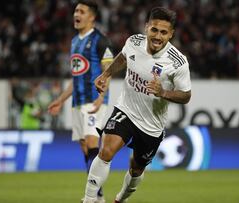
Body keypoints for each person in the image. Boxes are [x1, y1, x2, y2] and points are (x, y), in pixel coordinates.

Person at [82, 7, 192, 203]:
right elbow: (123, 58)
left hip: (151, 126)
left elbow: (186, 95)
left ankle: (121, 199)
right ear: (147, 27)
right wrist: (106, 74)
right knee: (106, 150)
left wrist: (163, 92)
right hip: (126, 109)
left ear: (171, 34)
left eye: (164, 32)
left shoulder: (178, 62)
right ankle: (89, 199)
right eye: (154, 30)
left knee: (136, 169)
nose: (158, 36)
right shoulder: (134, 42)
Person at [47, 1, 114, 202]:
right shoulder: (75, 41)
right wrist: (59, 100)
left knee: (93, 143)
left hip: (94, 101)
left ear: (91, 17)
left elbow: (108, 72)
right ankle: (99, 196)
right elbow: (75, 78)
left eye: (81, 11)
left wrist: (101, 97)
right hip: (77, 102)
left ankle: (91, 197)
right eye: (76, 10)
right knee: (85, 148)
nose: (76, 14)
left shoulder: (101, 40)